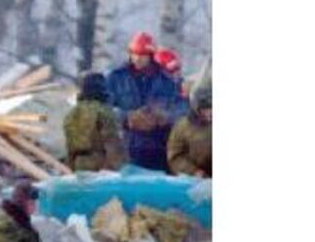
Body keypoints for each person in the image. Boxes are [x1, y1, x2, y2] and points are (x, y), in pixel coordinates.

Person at [106, 32, 188, 171]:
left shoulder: (166, 80)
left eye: (142, 55)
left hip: (159, 148)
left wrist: (165, 117)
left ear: (151, 56)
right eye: (134, 54)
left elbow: (182, 109)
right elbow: (104, 108)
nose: (137, 58)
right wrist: (127, 117)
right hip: (125, 148)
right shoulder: (116, 78)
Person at [63, 73, 127, 171]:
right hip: (101, 165)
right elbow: (112, 143)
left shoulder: (72, 114)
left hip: (78, 165)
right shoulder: (104, 112)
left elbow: (69, 146)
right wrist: (122, 169)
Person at [167, 87, 212, 177]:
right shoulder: (182, 127)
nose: (210, 112)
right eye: (205, 108)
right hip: (196, 180)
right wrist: (193, 171)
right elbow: (175, 157)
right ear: (196, 109)